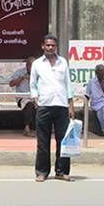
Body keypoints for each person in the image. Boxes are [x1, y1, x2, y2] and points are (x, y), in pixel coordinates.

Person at [29, 34, 75, 182]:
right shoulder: (37, 64)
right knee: (43, 141)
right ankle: (42, 172)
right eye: (47, 45)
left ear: (56, 47)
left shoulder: (63, 63)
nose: (50, 48)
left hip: (61, 105)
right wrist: (36, 100)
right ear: (43, 46)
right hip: (44, 105)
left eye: (53, 45)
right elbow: (33, 84)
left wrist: (71, 105)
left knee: (63, 141)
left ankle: (61, 171)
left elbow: (68, 84)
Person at [9, 56, 38, 137]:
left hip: (36, 97)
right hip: (22, 97)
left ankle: (40, 129)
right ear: (27, 65)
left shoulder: (39, 73)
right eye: (31, 65)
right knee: (29, 105)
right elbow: (11, 84)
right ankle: (27, 128)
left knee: (42, 106)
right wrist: (22, 78)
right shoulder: (19, 72)